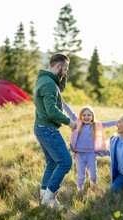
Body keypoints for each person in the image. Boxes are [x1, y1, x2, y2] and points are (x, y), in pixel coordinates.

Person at [33, 53, 77, 207]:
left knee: (52, 163)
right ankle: (49, 198)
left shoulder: (45, 79)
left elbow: (59, 90)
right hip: (48, 129)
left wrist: (62, 76)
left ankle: (44, 194)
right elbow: (52, 111)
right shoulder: (49, 84)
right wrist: (69, 122)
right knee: (65, 162)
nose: (66, 72)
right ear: (58, 66)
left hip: (41, 127)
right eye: (65, 69)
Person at [64, 104, 117, 191]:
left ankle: (93, 189)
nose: (86, 117)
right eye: (84, 115)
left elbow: (106, 124)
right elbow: (70, 113)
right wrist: (63, 103)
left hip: (91, 154)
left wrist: (117, 122)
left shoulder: (95, 126)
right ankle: (79, 190)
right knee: (81, 176)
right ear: (80, 116)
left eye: (89, 115)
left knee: (93, 176)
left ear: (92, 116)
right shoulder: (78, 124)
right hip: (80, 155)